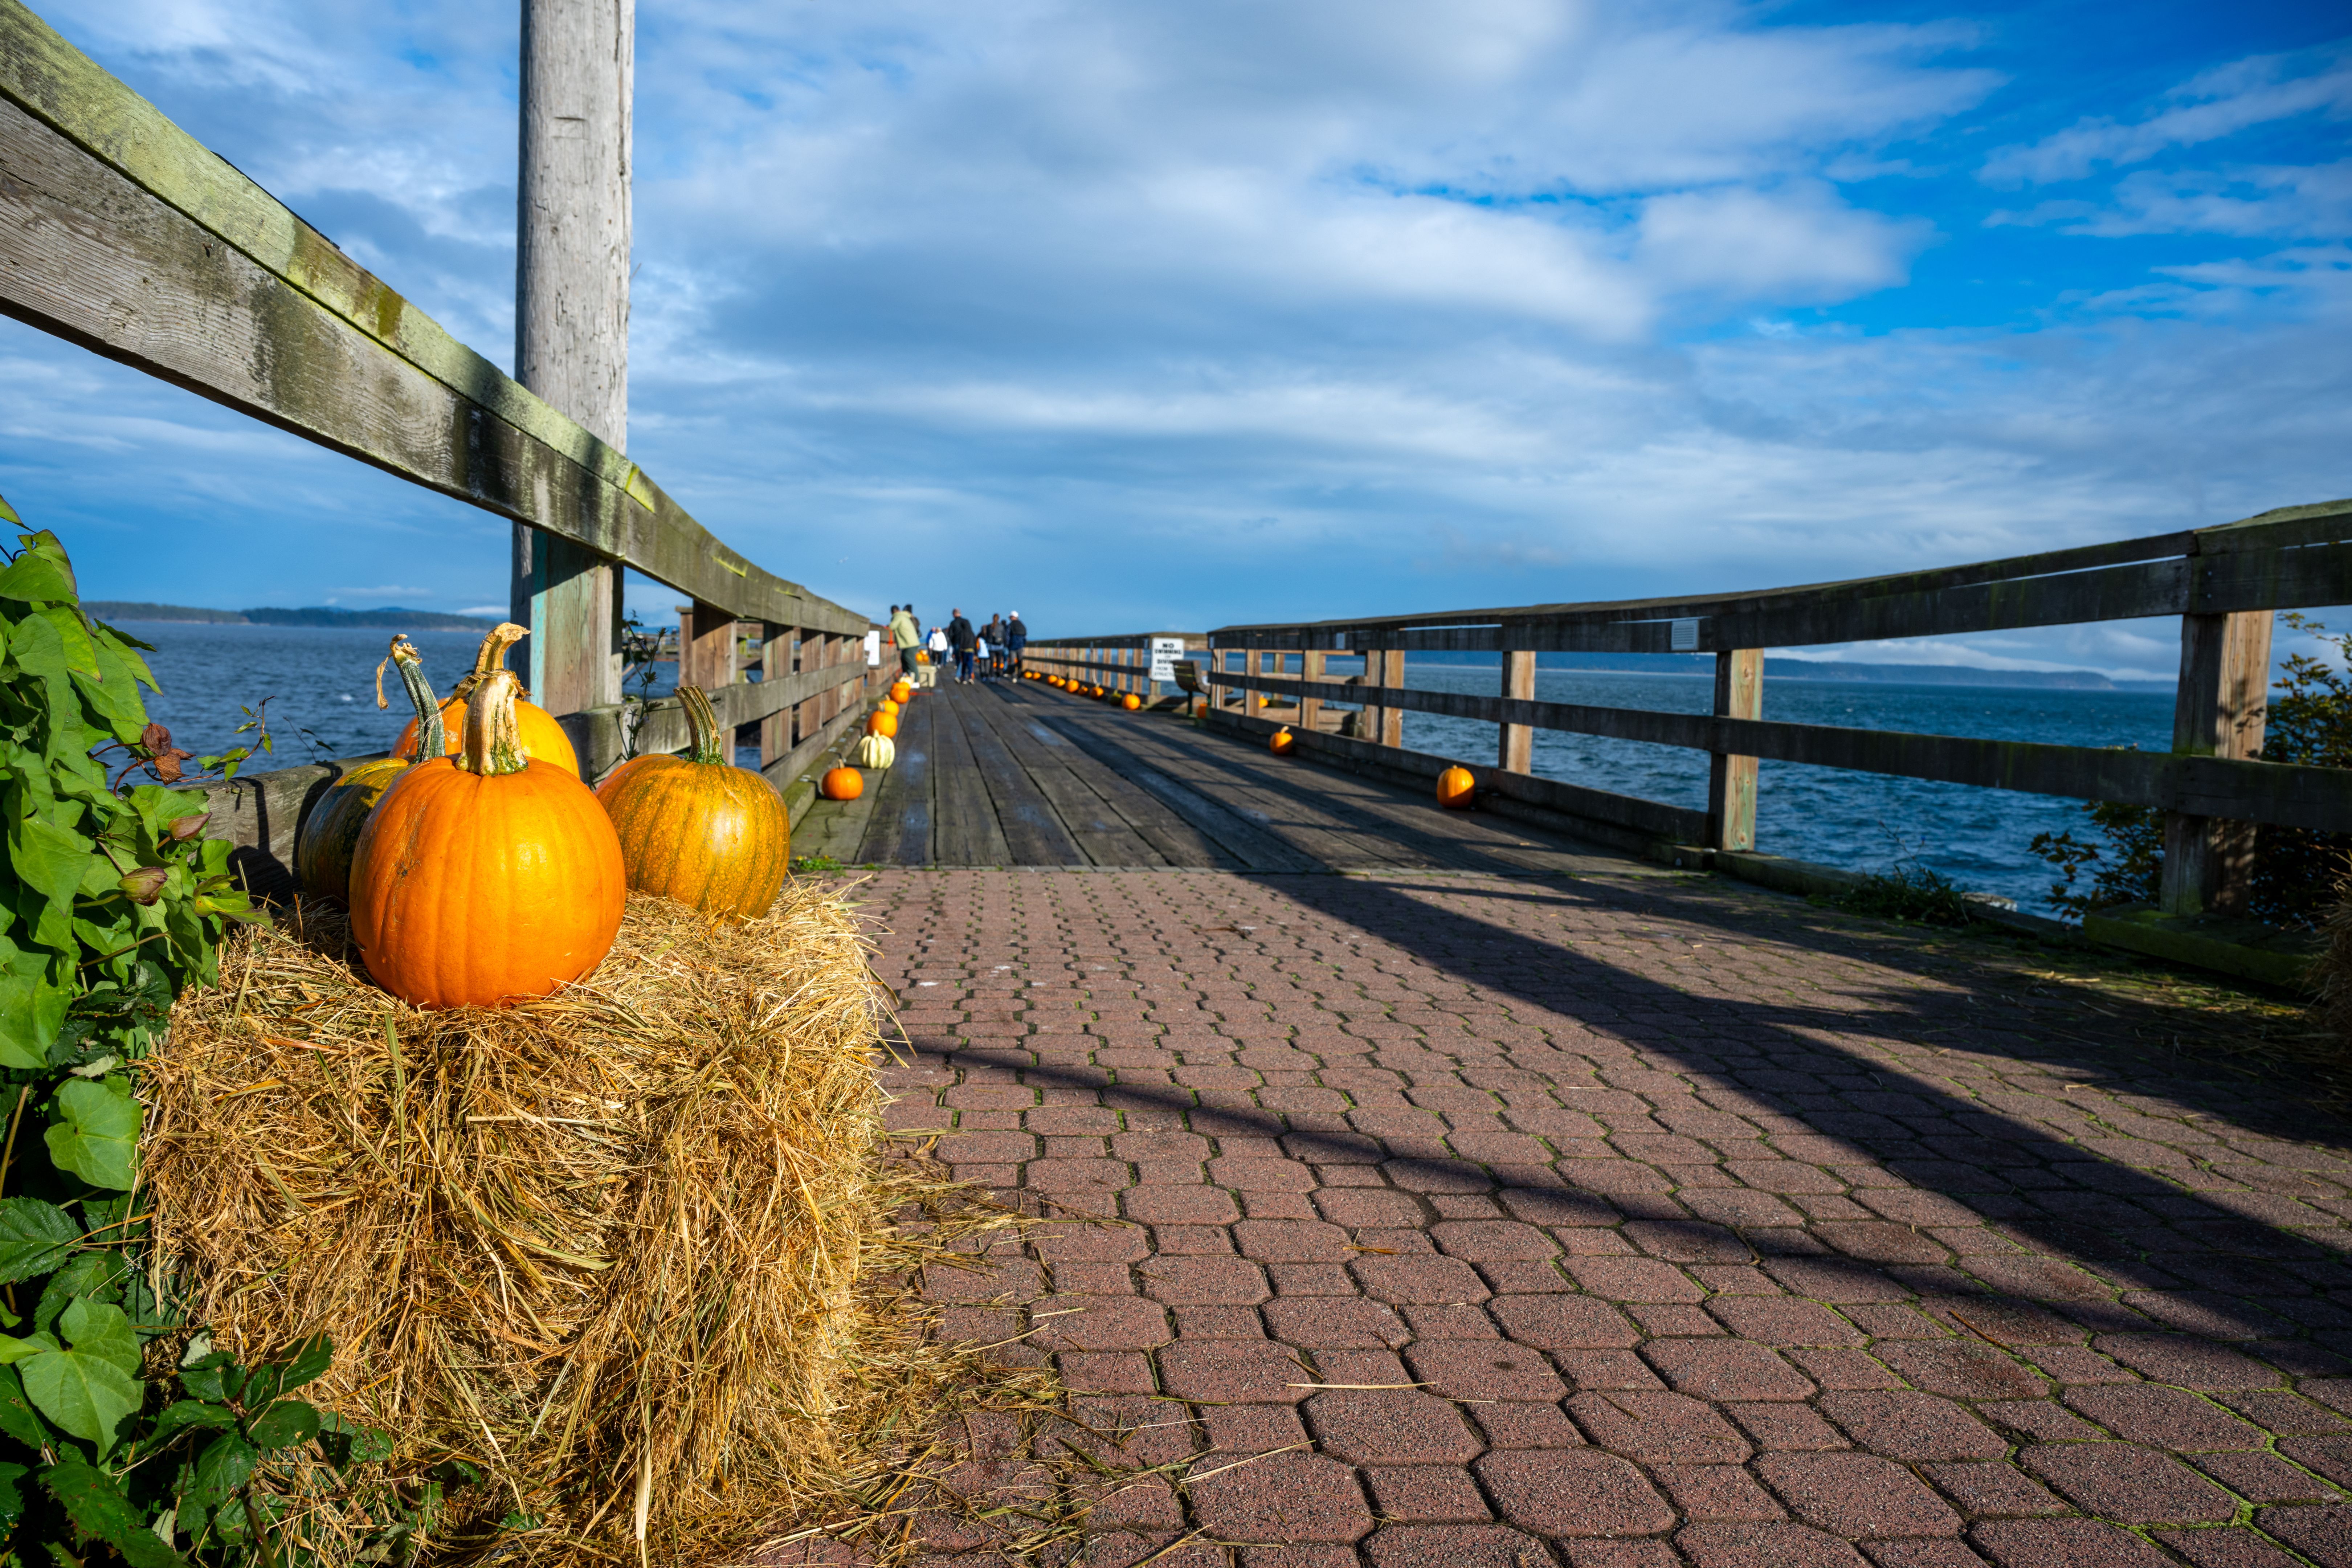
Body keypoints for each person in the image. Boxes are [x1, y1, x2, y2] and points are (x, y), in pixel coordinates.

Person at [888, 604, 921, 679]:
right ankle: (907, 676)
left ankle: (916, 681)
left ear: (892, 613)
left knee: (909, 660)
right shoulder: (904, 617)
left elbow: (892, 627)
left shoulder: (898, 617)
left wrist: (887, 626)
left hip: (910, 644)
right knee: (904, 658)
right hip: (912, 643)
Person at [946, 608, 976, 683]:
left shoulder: (953, 623)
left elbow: (950, 634)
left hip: (957, 644)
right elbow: (971, 633)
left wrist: (953, 643)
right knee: (968, 662)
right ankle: (969, 676)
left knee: (959, 660)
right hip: (967, 644)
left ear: (954, 614)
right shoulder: (966, 621)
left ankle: (959, 676)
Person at [1005, 611, 1027, 678]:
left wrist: (1008, 645)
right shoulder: (1022, 625)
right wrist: (1023, 644)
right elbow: (1025, 637)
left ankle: (1014, 675)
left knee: (1012, 661)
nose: (1010, 618)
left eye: (1010, 617)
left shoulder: (1010, 625)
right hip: (1020, 646)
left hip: (1012, 646)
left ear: (1013, 617)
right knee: (1020, 660)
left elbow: (1007, 636)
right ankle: (1020, 674)